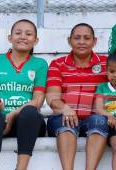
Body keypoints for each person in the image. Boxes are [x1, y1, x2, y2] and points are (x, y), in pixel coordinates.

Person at [0, 19, 48, 170]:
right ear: (10, 38)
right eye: (18, 33)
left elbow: (38, 100)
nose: (23, 36)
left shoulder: (40, 64)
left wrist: (14, 114)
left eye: (28, 34)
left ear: (36, 40)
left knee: (30, 112)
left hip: (27, 123)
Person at [46, 23, 109, 170]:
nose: (82, 42)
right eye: (77, 38)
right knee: (67, 123)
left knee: (99, 121)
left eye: (87, 38)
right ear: (69, 41)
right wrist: (66, 108)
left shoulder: (106, 64)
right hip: (64, 117)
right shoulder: (58, 64)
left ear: (95, 41)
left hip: (93, 117)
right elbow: (51, 99)